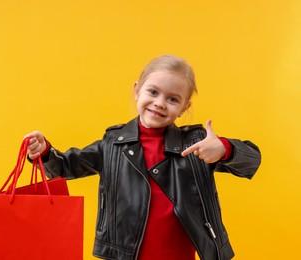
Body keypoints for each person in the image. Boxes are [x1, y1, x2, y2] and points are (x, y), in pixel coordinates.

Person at [25, 54, 261, 260]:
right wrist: (45, 151)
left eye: (172, 99)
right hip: (124, 254)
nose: (159, 103)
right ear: (137, 91)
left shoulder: (196, 143)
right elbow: (65, 166)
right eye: (153, 92)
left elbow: (252, 159)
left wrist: (223, 148)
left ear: (184, 107)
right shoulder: (113, 144)